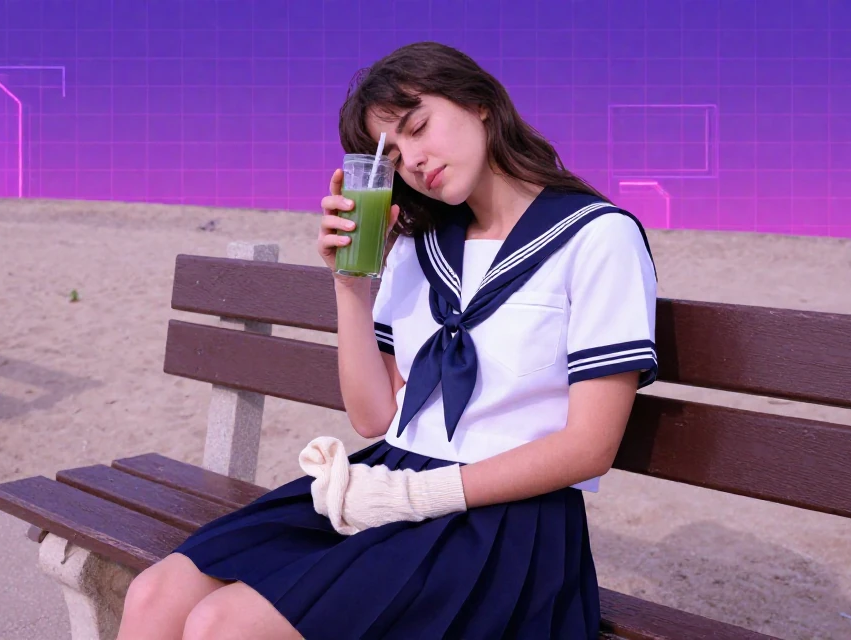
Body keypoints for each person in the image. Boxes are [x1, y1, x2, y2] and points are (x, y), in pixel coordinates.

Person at [116, 40, 658, 640]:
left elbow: (589, 448)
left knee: (224, 626)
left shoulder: (597, 238)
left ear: (479, 102)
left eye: (419, 128)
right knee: (156, 594)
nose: (415, 161)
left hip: (509, 516)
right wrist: (350, 285)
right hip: (386, 480)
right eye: (394, 155)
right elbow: (374, 416)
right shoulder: (415, 245)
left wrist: (417, 496)